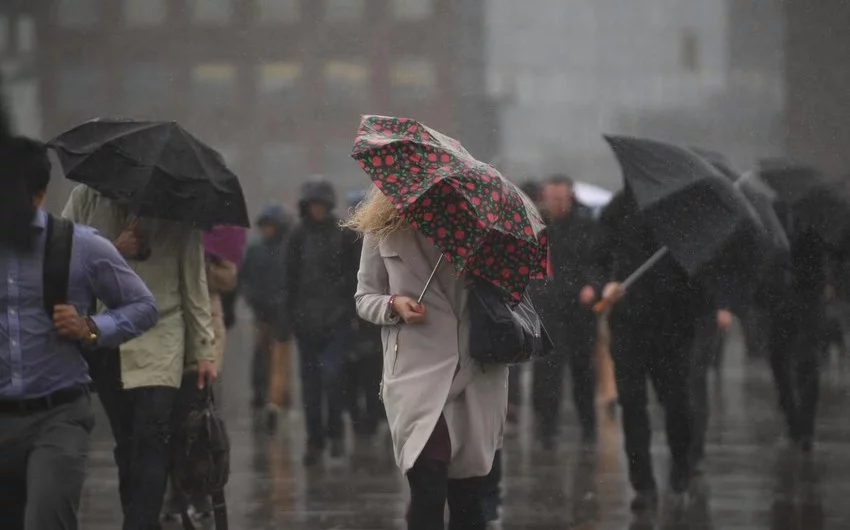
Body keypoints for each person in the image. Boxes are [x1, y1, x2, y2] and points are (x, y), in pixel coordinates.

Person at [0, 136, 158, 530]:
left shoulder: (79, 246)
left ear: (37, 196)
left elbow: (143, 307)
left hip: (58, 416)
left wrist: (91, 327)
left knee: (45, 521)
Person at [348, 188, 508, 530]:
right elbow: (365, 298)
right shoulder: (381, 228)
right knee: (428, 484)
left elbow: (508, 292)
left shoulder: (478, 225)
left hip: (472, 368)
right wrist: (393, 305)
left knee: (467, 496)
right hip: (414, 373)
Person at [62, 184, 217, 530]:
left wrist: (204, 350)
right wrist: (113, 249)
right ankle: (141, 518)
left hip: (162, 336)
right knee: (128, 443)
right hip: (106, 334)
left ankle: (139, 523)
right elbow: (60, 257)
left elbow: (194, 280)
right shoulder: (86, 197)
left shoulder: (179, 204)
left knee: (152, 437)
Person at [596, 188, 703, 511]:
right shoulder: (619, 207)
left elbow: (699, 275)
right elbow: (597, 254)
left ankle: (681, 468)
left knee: (677, 405)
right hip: (629, 325)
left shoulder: (687, 214)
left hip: (672, 329)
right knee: (632, 404)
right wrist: (607, 283)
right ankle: (642, 484)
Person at [285, 178, 360, 464]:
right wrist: (289, 318)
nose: (317, 209)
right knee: (310, 388)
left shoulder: (344, 234)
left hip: (337, 322)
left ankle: (335, 432)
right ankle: (314, 441)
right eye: (312, 204)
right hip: (306, 324)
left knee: (332, 378)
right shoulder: (297, 236)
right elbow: (290, 280)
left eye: (321, 204)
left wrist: (350, 313)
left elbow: (356, 278)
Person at [532, 174, 601, 448]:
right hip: (548, 307)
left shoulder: (587, 225)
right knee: (547, 372)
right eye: (552, 198)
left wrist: (592, 286)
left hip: (580, 308)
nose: (557, 203)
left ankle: (588, 428)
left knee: (583, 371)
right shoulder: (537, 225)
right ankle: (546, 429)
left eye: (561, 198)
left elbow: (598, 261)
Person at [756, 204, 829, 452]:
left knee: (808, 361)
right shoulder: (772, 210)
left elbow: (828, 250)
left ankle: (806, 430)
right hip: (779, 298)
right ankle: (792, 418)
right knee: (778, 358)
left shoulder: (819, 215)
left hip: (809, 296)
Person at [239, 205, 291, 431]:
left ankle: (277, 397)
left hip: (282, 312)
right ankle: (261, 393)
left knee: (280, 356)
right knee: (261, 353)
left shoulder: (286, 249)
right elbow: (245, 278)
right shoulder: (255, 250)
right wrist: (254, 299)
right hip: (261, 312)